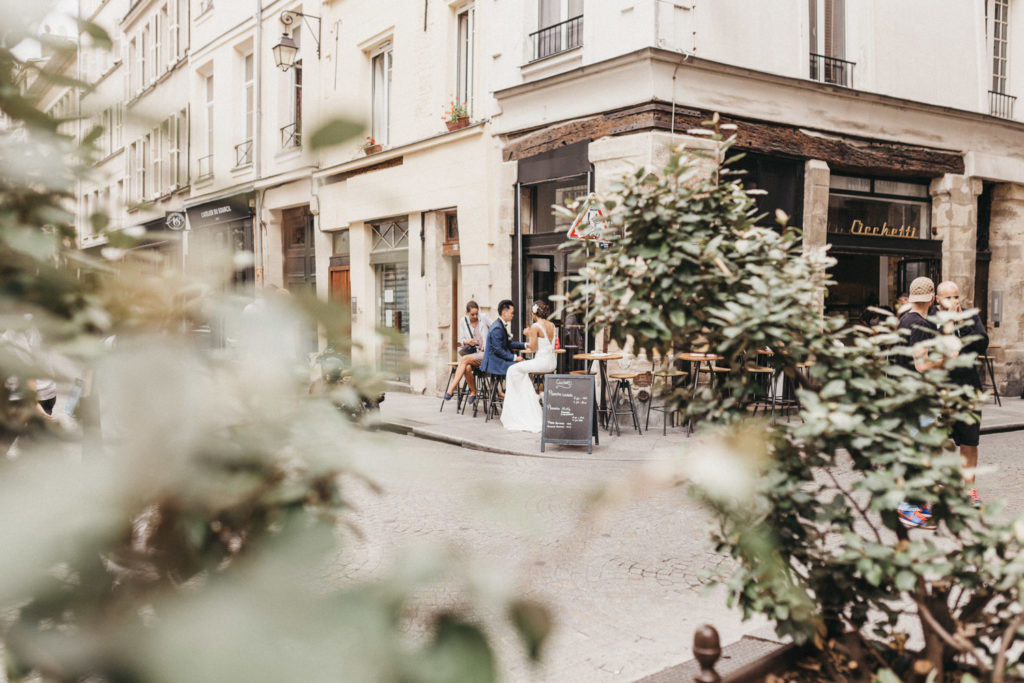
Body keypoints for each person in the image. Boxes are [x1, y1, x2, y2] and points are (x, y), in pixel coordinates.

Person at [936, 280, 988, 507]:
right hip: (940, 389)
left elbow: (982, 343)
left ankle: (969, 490)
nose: (954, 301)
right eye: (948, 297)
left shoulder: (969, 316)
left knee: (970, 441)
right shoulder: (930, 319)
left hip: (967, 388)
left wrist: (962, 324)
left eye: (956, 297)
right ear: (938, 299)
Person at [895, 276, 941, 529]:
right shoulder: (920, 325)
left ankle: (916, 503)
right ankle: (908, 508)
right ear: (932, 297)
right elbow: (921, 364)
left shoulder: (905, 320)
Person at [501, 300, 557, 433]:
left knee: (512, 370)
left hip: (542, 363)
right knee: (519, 370)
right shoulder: (552, 325)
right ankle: (528, 399)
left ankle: (525, 407)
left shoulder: (536, 326)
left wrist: (528, 333)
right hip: (552, 362)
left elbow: (533, 348)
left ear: (533, 313)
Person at [443, 301, 492, 404]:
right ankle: (473, 392)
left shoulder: (484, 318)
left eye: (476, 313)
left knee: (464, 359)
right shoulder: (463, 321)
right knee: (467, 367)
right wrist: (467, 341)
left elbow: (496, 329)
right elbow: (461, 340)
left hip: (486, 354)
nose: (475, 316)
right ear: (467, 313)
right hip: (474, 354)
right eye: (472, 314)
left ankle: (451, 389)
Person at [480, 299, 527, 388]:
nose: (513, 315)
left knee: (521, 365)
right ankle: (515, 393)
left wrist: (525, 345)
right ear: (504, 312)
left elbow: (508, 344)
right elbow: (498, 350)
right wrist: (515, 358)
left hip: (497, 360)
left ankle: (514, 393)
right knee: (520, 367)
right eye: (512, 313)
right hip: (494, 363)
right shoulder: (497, 328)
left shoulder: (499, 325)